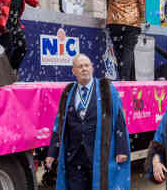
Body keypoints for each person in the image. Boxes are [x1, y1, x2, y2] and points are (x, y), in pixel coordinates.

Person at [45, 54, 130, 190]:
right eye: (80, 66)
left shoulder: (106, 89)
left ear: (92, 68)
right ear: (74, 71)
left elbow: (119, 119)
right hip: (74, 156)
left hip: (98, 155)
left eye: (87, 65)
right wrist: (51, 153)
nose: (84, 69)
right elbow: (59, 124)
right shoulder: (67, 92)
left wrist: (122, 149)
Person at [101, 0, 145, 81]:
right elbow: (141, 7)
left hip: (115, 24)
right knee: (128, 51)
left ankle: (124, 77)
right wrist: (141, 19)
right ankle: (126, 78)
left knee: (119, 50)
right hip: (132, 24)